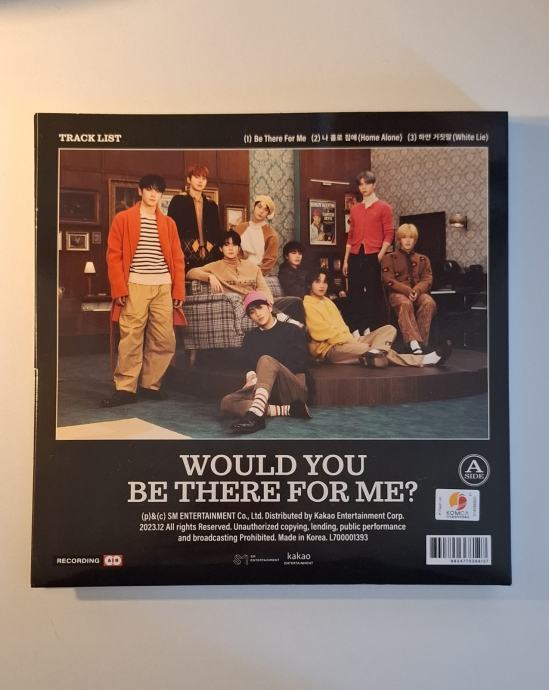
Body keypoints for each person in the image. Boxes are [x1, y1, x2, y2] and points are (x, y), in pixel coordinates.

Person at [102, 174, 185, 407]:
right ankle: (126, 388)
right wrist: (119, 288)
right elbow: (114, 256)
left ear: (161, 195)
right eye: (149, 189)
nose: (153, 194)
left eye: (157, 191)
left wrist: (178, 291)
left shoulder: (168, 223)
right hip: (135, 284)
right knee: (131, 337)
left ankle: (150, 384)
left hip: (163, 286)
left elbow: (178, 259)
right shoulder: (123, 219)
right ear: (140, 191)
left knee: (164, 338)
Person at [303, 269, 450, 367]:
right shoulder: (307, 304)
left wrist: (353, 339)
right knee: (376, 351)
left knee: (389, 329)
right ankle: (424, 360)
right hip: (332, 349)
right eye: (317, 281)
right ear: (310, 284)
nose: (322, 285)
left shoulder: (328, 302)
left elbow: (342, 326)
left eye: (324, 282)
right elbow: (320, 332)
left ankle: (375, 354)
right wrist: (351, 340)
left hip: (348, 341)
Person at [221, 291, 311, 434]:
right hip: (265, 392)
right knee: (227, 402)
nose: (257, 313)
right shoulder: (250, 338)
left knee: (265, 360)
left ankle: (256, 417)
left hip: (292, 390)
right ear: (250, 317)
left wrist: (267, 373)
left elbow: (298, 363)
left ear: (269, 307)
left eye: (260, 307)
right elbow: (249, 364)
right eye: (252, 311)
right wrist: (251, 376)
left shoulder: (292, 330)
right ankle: (286, 410)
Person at [342, 170, 394, 333]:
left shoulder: (384, 207)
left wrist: (379, 256)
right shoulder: (355, 209)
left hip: (373, 255)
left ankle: (374, 329)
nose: (363, 187)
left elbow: (389, 234)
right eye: (360, 184)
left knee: (373, 294)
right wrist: (346, 260)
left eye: (367, 183)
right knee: (354, 293)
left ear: (374, 185)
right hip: (355, 255)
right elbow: (350, 236)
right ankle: (356, 329)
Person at [381, 223, 437, 354]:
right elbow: (388, 280)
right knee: (405, 303)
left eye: (411, 237)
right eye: (404, 237)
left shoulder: (423, 259)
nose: (407, 240)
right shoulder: (388, 258)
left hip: (418, 292)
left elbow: (427, 279)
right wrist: (407, 291)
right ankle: (413, 342)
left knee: (429, 302)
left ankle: (421, 344)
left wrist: (416, 291)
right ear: (399, 239)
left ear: (415, 240)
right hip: (397, 294)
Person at [186, 230, 274, 302]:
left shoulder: (253, 267)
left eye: (234, 245)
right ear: (221, 249)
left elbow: (264, 289)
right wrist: (210, 276)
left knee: (282, 304)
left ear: (239, 249)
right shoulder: (215, 266)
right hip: (235, 305)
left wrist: (267, 304)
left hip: (255, 303)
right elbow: (190, 273)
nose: (231, 248)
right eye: (227, 245)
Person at [167, 164, 222, 271]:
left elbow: (216, 232)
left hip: (208, 255)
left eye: (204, 178)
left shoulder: (211, 205)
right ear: (189, 179)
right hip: (185, 253)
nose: (200, 181)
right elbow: (172, 230)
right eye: (197, 177)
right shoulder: (178, 201)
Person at [236, 195, 279, 275]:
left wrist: (255, 274)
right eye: (259, 207)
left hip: (258, 274)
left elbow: (270, 261)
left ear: (268, 214)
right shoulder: (240, 228)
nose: (261, 211)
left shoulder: (271, 235)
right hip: (238, 271)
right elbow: (234, 251)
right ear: (254, 207)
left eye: (265, 210)